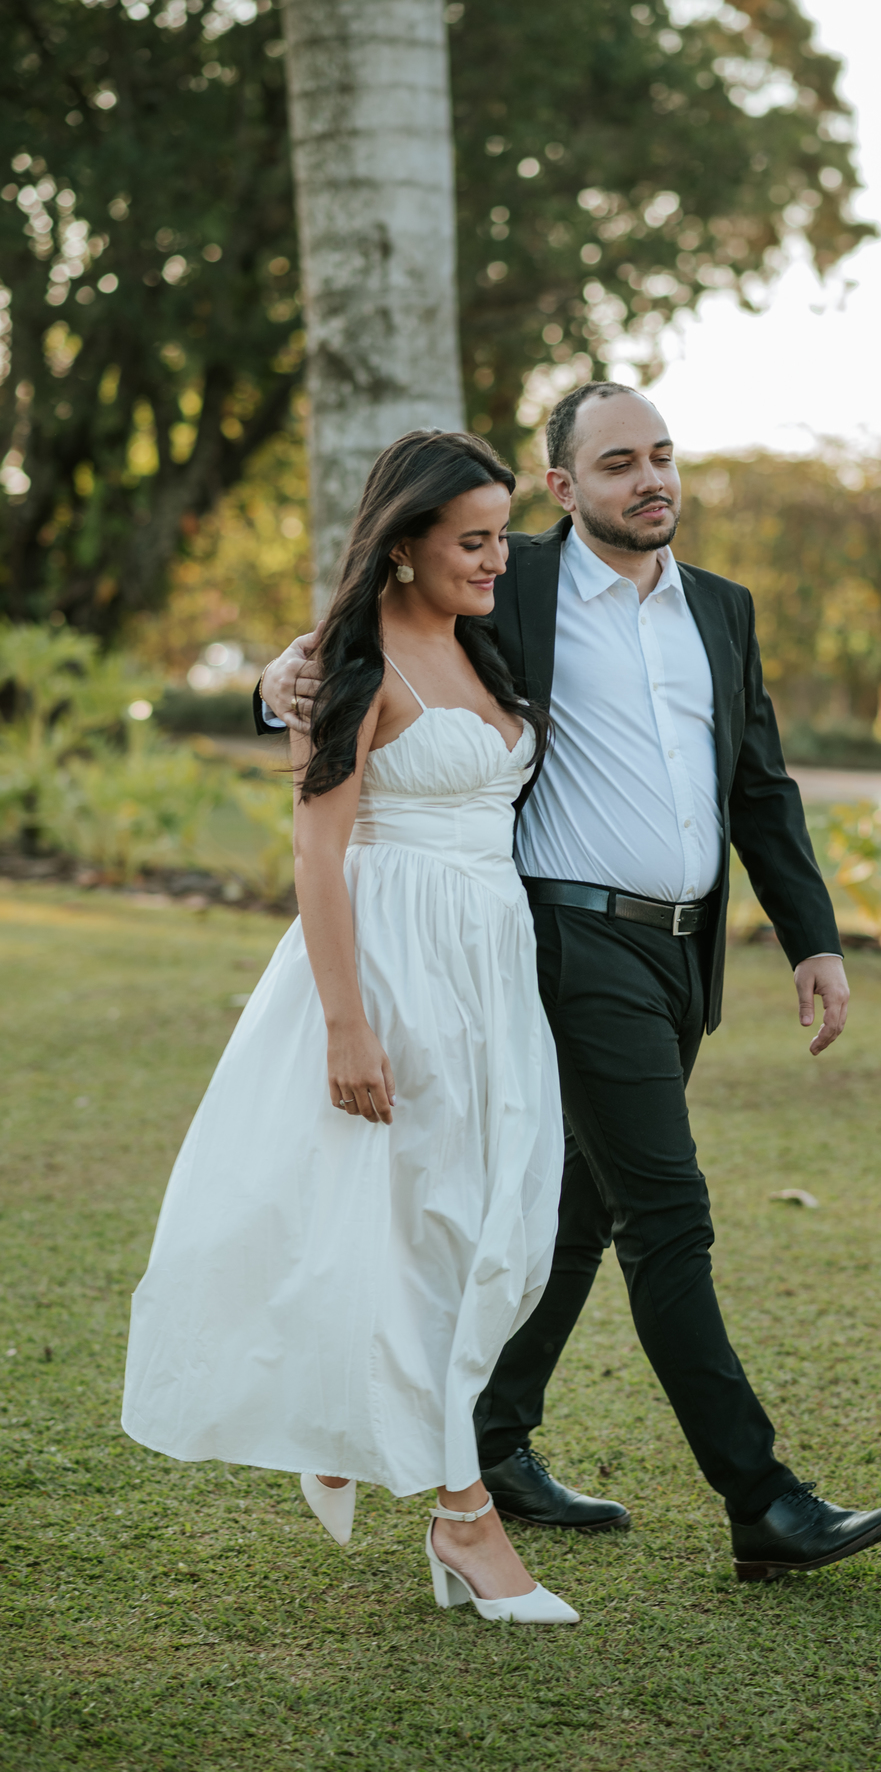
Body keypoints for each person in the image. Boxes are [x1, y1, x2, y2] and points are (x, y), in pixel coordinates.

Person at [260, 384, 881, 1582]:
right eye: (618, 462)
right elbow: (364, 643)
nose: (650, 479)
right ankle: (763, 1500)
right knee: (668, 1210)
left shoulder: (723, 606)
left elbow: (759, 782)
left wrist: (811, 937)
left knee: (578, 1207)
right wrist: (276, 681)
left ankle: (493, 1442)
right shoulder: (516, 583)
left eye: (661, 455)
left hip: (684, 950)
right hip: (570, 940)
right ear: (564, 486)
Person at [123, 430, 580, 1625]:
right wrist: (346, 1025)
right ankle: (466, 1520)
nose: (497, 558)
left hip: (491, 971)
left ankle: (351, 1427)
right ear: (405, 543)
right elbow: (316, 852)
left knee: (496, 1228)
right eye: (473, 540)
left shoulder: (486, 636)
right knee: (428, 1230)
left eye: (501, 535)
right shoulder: (349, 669)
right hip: (392, 962)